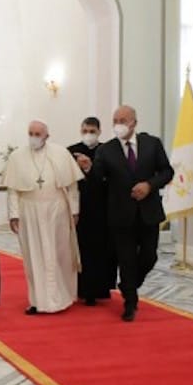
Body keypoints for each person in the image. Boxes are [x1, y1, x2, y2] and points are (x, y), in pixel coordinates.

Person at [85, 105, 174, 321]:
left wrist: (149, 185)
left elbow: (167, 171)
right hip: (120, 215)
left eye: (123, 120)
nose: (118, 124)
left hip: (148, 212)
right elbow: (98, 181)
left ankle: (128, 284)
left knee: (149, 256)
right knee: (126, 260)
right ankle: (130, 303)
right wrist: (89, 168)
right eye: (115, 120)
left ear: (134, 122)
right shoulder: (106, 151)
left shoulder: (152, 144)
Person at [2, 120, 83, 314]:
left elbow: (72, 187)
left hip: (57, 210)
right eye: (31, 133)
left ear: (47, 136)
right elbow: (13, 190)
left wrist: (74, 210)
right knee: (34, 256)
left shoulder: (61, 153)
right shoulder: (17, 157)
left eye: (38, 134)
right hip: (29, 210)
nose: (34, 137)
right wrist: (13, 215)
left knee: (60, 253)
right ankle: (38, 301)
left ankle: (62, 298)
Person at [68, 117, 116, 305]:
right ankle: (82, 290)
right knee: (81, 249)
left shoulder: (107, 151)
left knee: (101, 250)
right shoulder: (71, 151)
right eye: (85, 130)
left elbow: (111, 178)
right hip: (79, 207)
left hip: (102, 207)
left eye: (92, 131)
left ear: (99, 131)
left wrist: (90, 167)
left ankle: (100, 289)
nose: (88, 134)